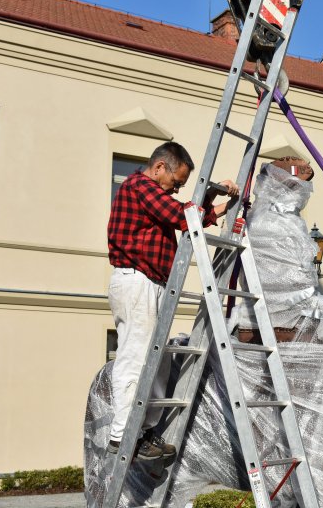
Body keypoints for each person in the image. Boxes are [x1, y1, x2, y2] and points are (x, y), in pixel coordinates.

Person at [106, 141, 238, 460]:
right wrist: (215, 202)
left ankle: (144, 432)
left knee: (157, 359)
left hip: (152, 282)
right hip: (136, 281)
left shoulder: (156, 195)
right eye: (176, 182)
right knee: (136, 354)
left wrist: (214, 200)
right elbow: (182, 218)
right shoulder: (140, 185)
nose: (176, 189)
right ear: (160, 167)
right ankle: (122, 435)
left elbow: (186, 218)